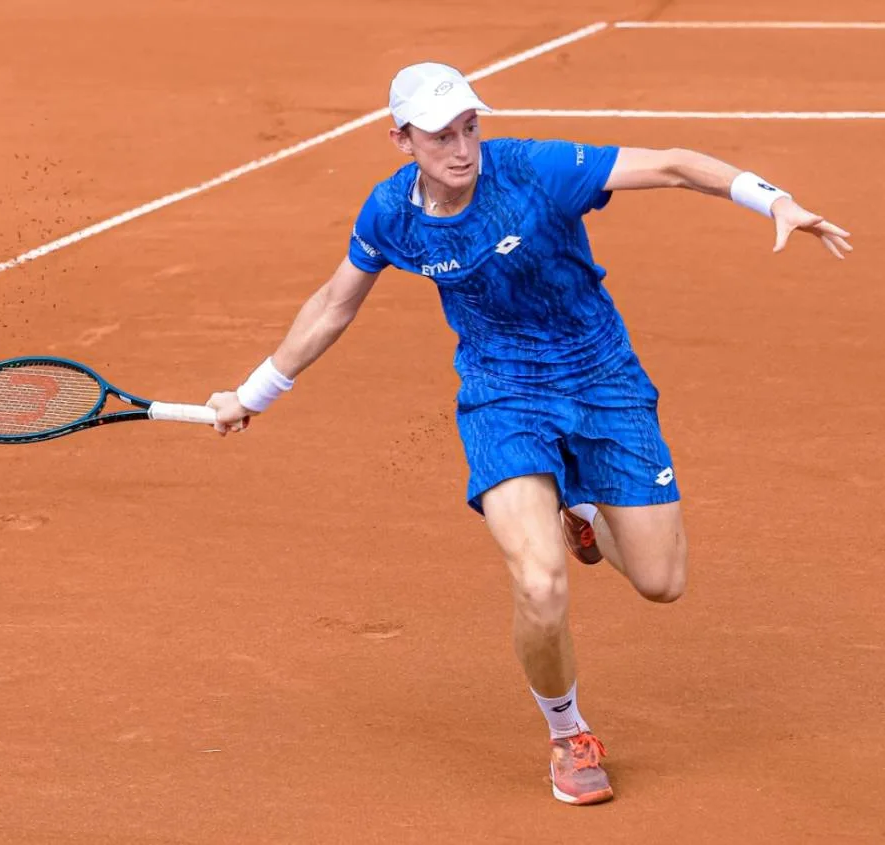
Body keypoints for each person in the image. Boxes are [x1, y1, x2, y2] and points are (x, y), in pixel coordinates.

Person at [206, 61, 852, 806]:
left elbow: (673, 166)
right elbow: (332, 304)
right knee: (539, 580)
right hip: (502, 394)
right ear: (401, 140)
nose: (461, 147)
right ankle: (568, 732)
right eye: (440, 134)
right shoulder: (390, 214)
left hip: (603, 379)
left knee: (661, 581)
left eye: (469, 127)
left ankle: (581, 514)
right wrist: (253, 393)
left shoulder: (538, 170)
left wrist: (771, 199)